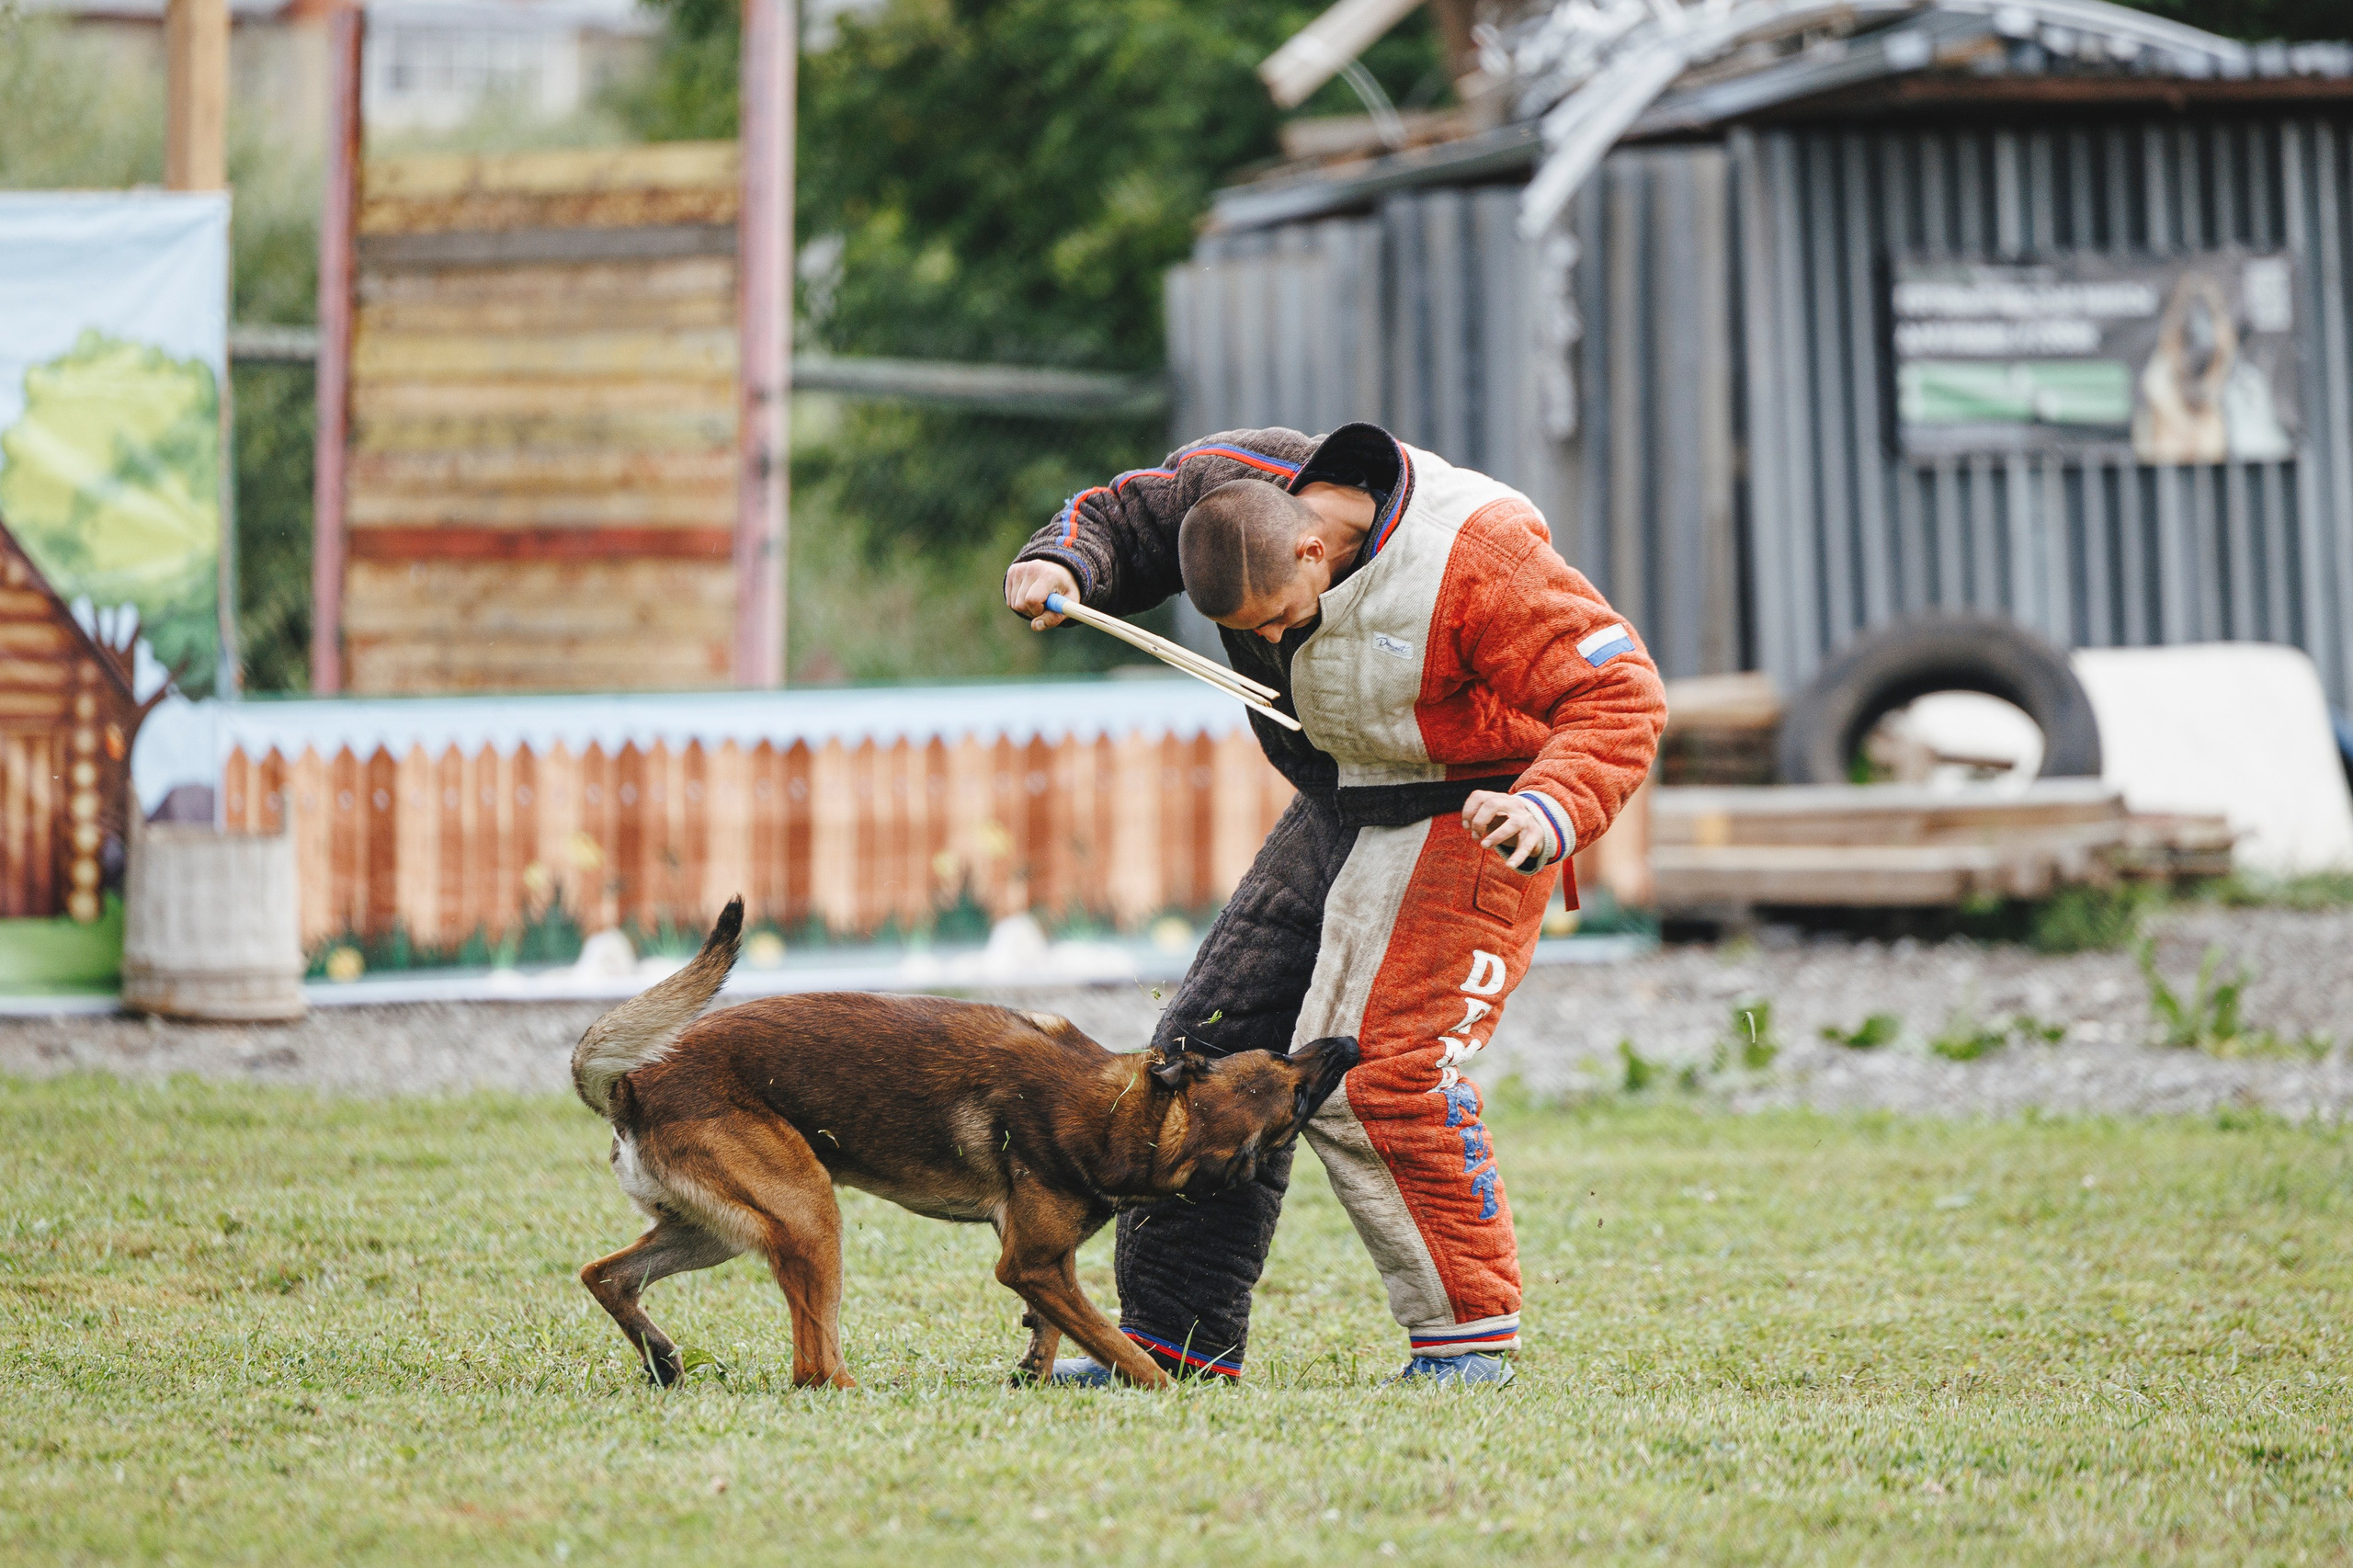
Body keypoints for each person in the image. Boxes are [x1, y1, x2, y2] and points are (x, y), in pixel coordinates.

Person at [1002, 423, 1665, 1386]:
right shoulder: (1232, 483)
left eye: (1278, 618)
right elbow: (1120, 516)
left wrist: (1548, 803)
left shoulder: (1477, 559)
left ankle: (1466, 1346)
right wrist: (1062, 559)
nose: (1271, 643)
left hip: (1475, 807)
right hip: (1339, 799)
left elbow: (1619, 693)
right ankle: (1173, 1348)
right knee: (1200, 1064)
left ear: (1313, 547)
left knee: (1380, 1076)